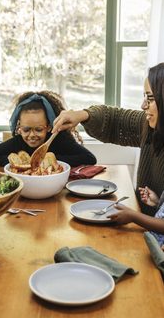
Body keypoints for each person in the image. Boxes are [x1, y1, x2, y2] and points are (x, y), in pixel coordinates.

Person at [52, 62, 164, 216]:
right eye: (144, 97)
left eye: (150, 99)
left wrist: (134, 216)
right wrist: (82, 115)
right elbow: (114, 119)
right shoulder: (150, 127)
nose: (143, 105)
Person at [0, 90, 96, 167]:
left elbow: (90, 159)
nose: (31, 135)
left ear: (49, 127)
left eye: (38, 129)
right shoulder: (17, 142)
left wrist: (49, 159)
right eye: (26, 130)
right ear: (19, 128)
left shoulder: (60, 139)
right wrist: (19, 162)